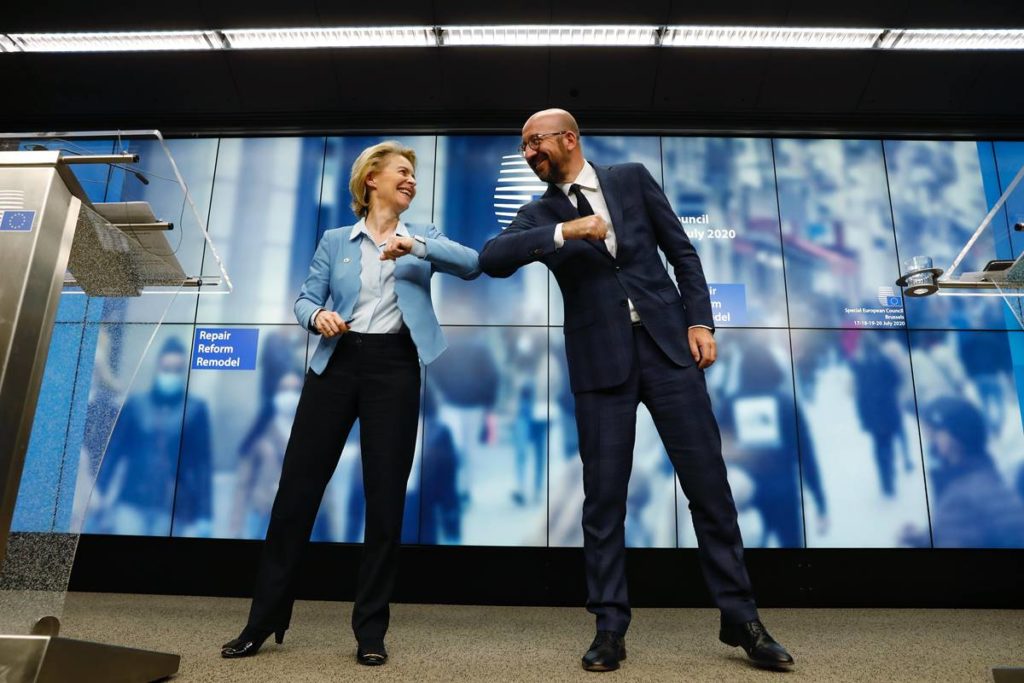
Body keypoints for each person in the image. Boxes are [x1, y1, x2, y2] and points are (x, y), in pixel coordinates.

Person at [479, 109, 793, 671]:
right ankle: (610, 626)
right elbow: (491, 259)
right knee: (604, 501)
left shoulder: (629, 177)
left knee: (710, 488)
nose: (529, 154)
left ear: (569, 139)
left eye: (535, 143)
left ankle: (741, 618)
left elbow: (683, 254)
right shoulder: (539, 212)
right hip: (600, 366)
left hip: (670, 352)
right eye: (523, 147)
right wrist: (566, 231)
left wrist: (701, 321)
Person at [221, 141, 480, 665]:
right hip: (336, 366)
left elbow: (473, 265)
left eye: (413, 175)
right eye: (402, 173)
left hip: (395, 367)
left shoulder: (422, 234)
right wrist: (315, 317)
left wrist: (417, 249)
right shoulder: (336, 239)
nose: (411, 180)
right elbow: (304, 298)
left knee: (384, 501)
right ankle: (264, 618)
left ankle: (370, 630)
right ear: (372, 181)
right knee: (296, 493)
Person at [89, 336, 211, 537]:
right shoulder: (137, 405)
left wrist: (204, 514)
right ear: (158, 368)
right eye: (166, 368)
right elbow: (115, 450)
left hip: (171, 505)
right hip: (132, 500)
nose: (170, 374)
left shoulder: (195, 411)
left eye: (176, 370)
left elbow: (202, 465)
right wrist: (99, 489)